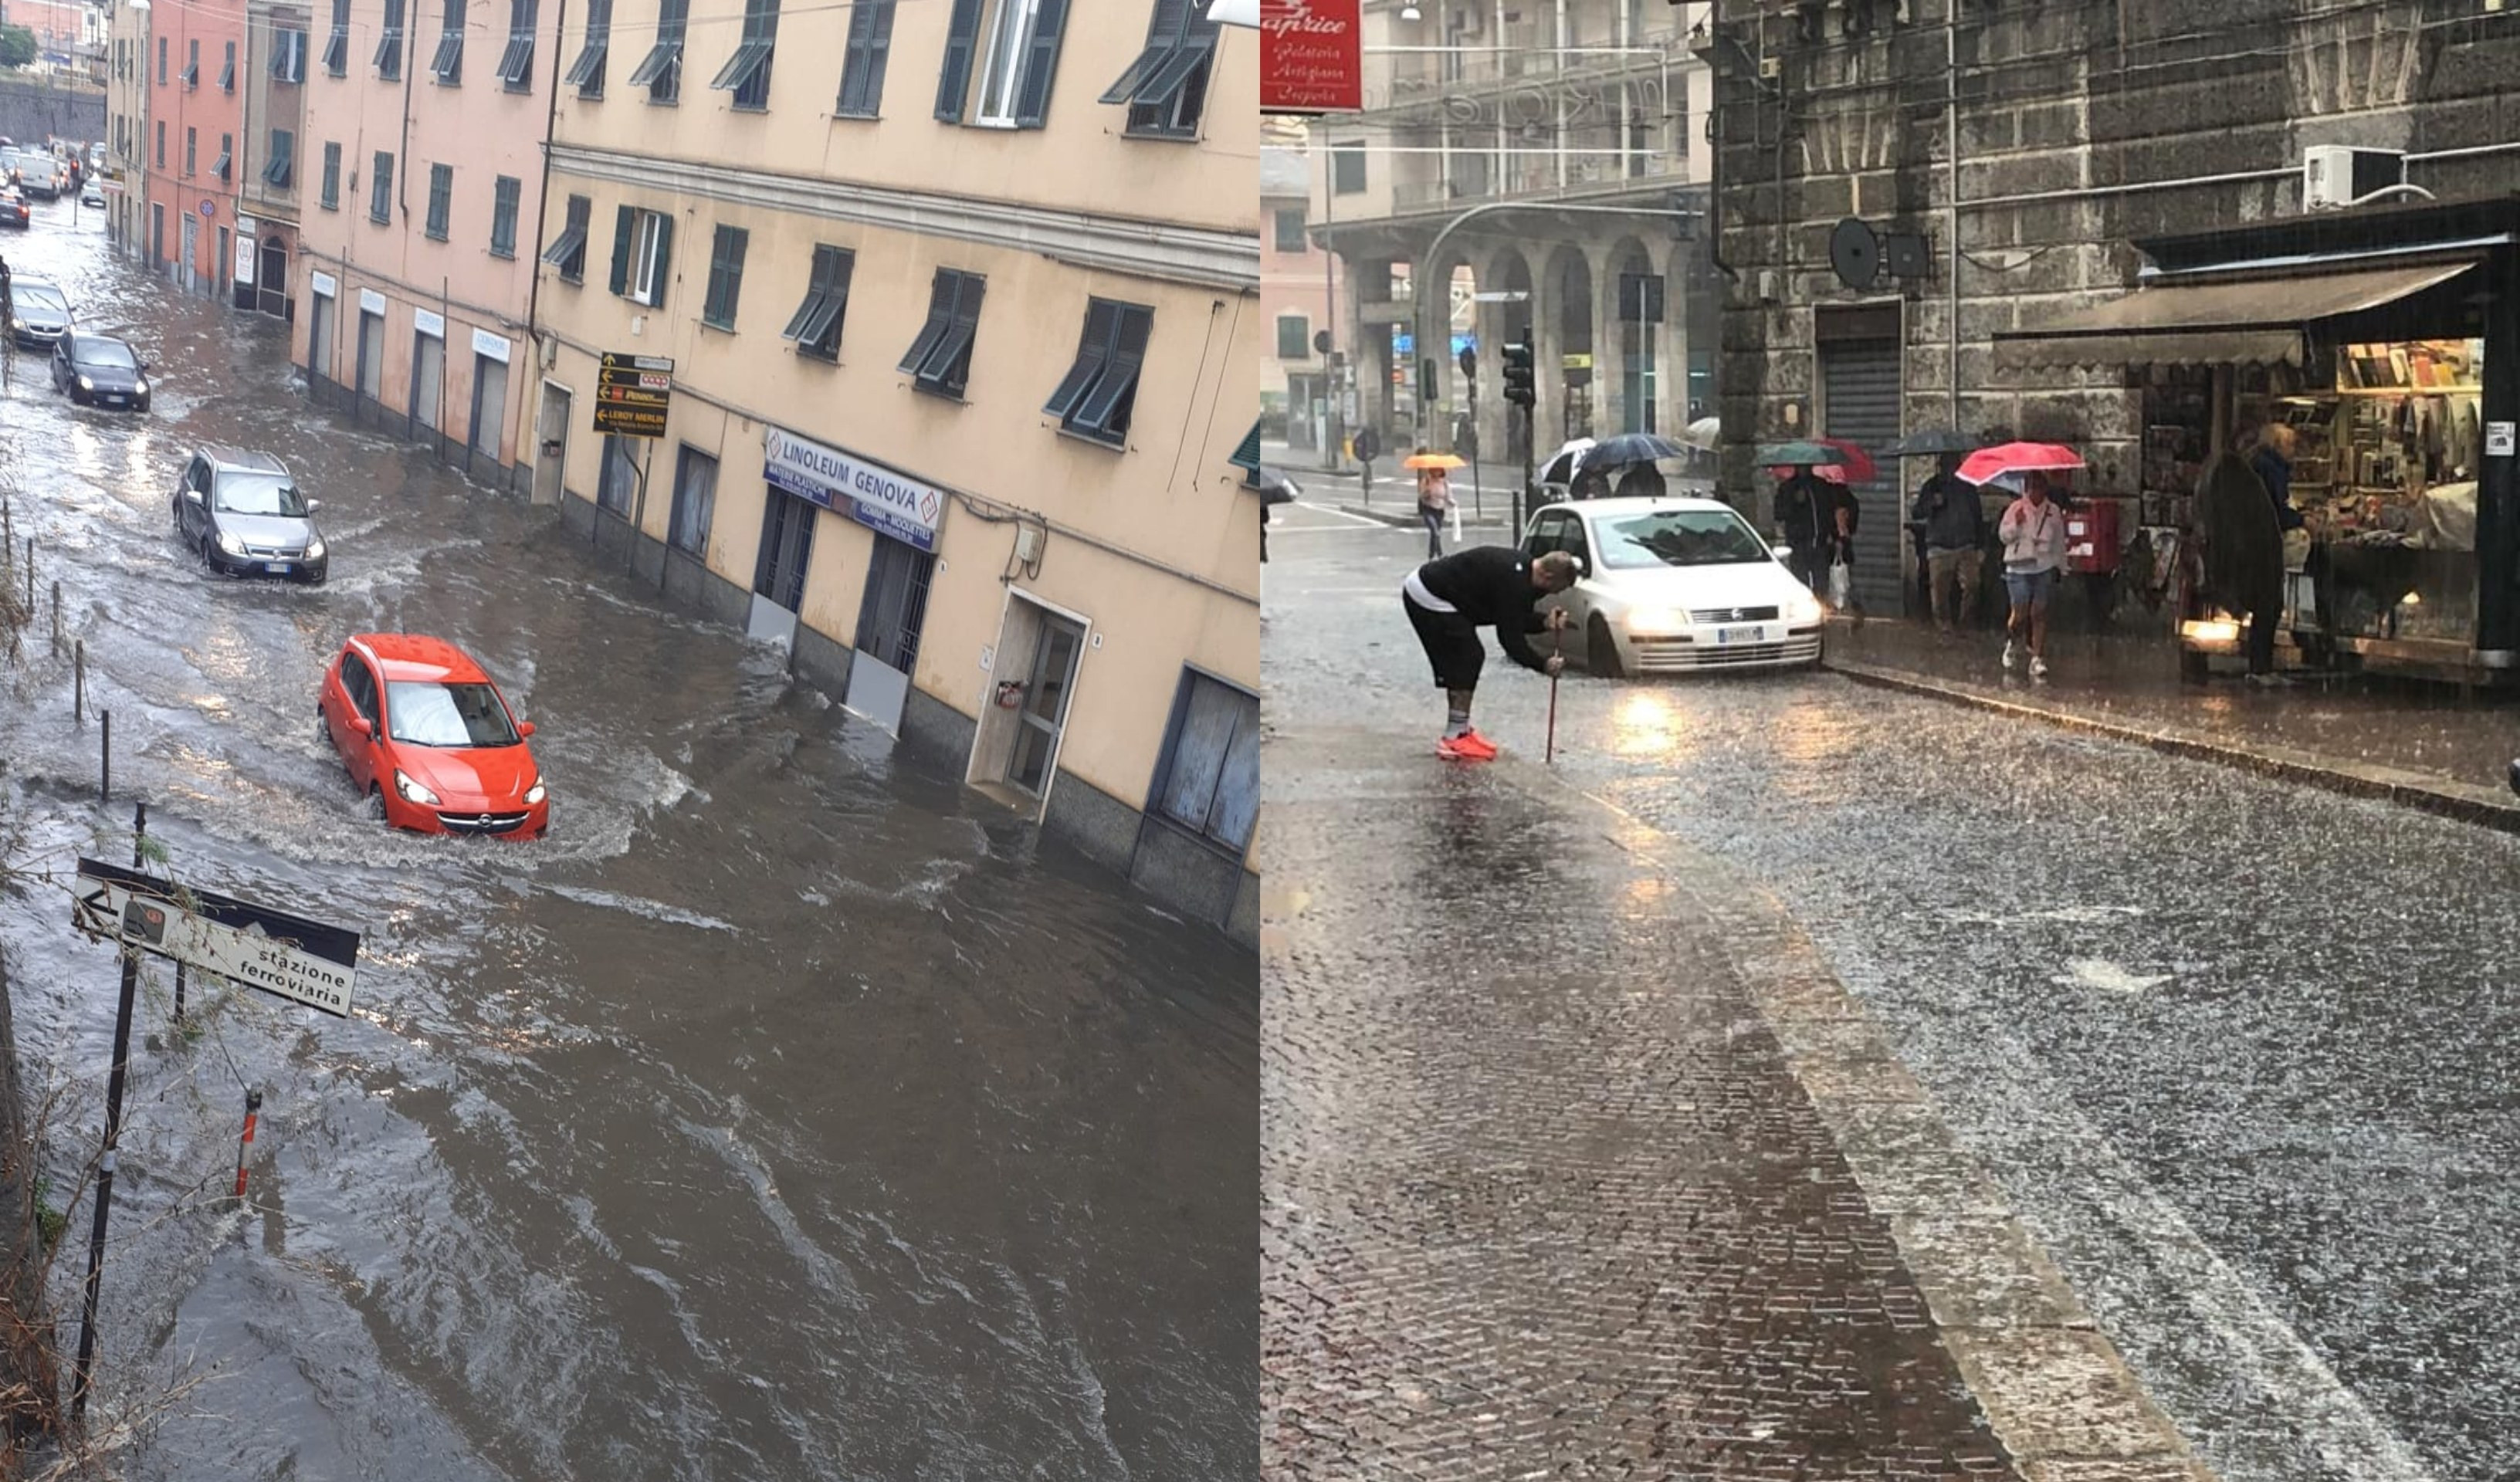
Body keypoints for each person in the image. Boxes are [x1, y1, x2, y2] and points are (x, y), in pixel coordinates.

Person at [1401, 546, 1579, 760]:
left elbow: (1515, 618)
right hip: (1429, 594)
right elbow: (1510, 641)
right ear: (1548, 576)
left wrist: (1544, 622)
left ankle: (1461, 729)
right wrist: (1543, 665)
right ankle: (1453, 738)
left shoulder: (1525, 572)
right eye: (1556, 589)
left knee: (1468, 657)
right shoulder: (1513, 582)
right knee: (1466, 656)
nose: (1555, 594)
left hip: (1444, 593)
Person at [1997, 471, 2069, 678]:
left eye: (2039, 487)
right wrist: (2016, 525)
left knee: (2039, 612)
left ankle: (2037, 657)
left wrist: (2062, 567)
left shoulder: (2053, 511)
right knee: (2019, 613)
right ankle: (2011, 642)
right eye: (2032, 487)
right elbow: (2003, 537)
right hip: (2018, 568)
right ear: (2026, 489)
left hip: (2043, 566)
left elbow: (2058, 542)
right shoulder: (2015, 508)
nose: (2035, 492)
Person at [1915, 453, 1987, 633]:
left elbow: (1977, 516)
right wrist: (1932, 503)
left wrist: (1980, 546)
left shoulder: (1968, 488)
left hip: (1966, 544)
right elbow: (1917, 512)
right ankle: (1944, 625)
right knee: (1939, 590)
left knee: (1973, 584)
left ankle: (1965, 623)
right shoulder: (1931, 486)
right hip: (1940, 546)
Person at [1773, 465, 1838, 601]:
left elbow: (1829, 512)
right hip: (1798, 542)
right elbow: (1779, 514)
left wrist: (1833, 535)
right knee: (1800, 579)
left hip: (1819, 541)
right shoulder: (1787, 487)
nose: (1804, 469)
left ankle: (1821, 606)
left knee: (1821, 580)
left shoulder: (1821, 486)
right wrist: (1794, 502)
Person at [1414, 452, 1453, 560]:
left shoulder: (1445, 483)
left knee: (1437, 534)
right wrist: (1425, 493)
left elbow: (1448, 497)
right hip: (1428, 510)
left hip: (1440, 511)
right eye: (1434, 469)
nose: (1437, 472)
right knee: (1435, 531)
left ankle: (1436, 555)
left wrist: (1452, 503)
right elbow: (1421, 496)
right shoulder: (1426, 481)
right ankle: (1434, 555)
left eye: (1439, 470)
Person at [1351, 425, 1382, 499]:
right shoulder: (1367, 437)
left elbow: (1376, 446)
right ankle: (1367, 480)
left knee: (1367, 466)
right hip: (1365, 453)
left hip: (1366, 453)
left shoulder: (1368, 437)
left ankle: (1368, 480)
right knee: (1366, 466)